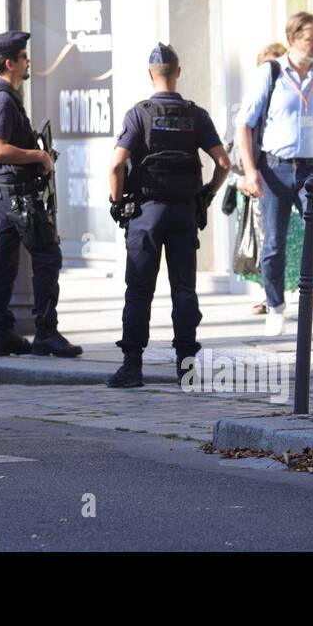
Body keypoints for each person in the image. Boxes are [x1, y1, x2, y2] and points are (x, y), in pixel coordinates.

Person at [105, 43, 230, 388]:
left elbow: (117, 164)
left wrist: (118, 202)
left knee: (139, 289)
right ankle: (187, 368)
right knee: (184, 289)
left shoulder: (139, 114)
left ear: (151, 74)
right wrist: (207, 194)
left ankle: (131, 367)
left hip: (146, 213)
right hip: (183, 212)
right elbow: (223, 163)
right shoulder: (196, 114)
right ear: (178, 72)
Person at [235, 12, 313, 336]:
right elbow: (244, 124)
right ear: (292, 40)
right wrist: (249, 170)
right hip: (275, 168)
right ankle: (274, 306)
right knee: (274, 242)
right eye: (308, 38)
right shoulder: (270, 73)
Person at [0, 31, 81, 358]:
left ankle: (3, 332)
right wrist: (39, 156)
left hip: (7, 194)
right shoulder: (3, 98)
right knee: (48, 256)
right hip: (18, 194)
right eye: (23, 57)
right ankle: (45, 332)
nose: (28, 61)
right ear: (10, 63)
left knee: (4, 262)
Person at [236, 43, 305, 313]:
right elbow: (240, 138)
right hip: (265, 178)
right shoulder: (255, 102)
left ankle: (309, 292)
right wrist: (247, 173)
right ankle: (273, 298)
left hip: (292, 173)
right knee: (272, 241)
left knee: (302, 237)